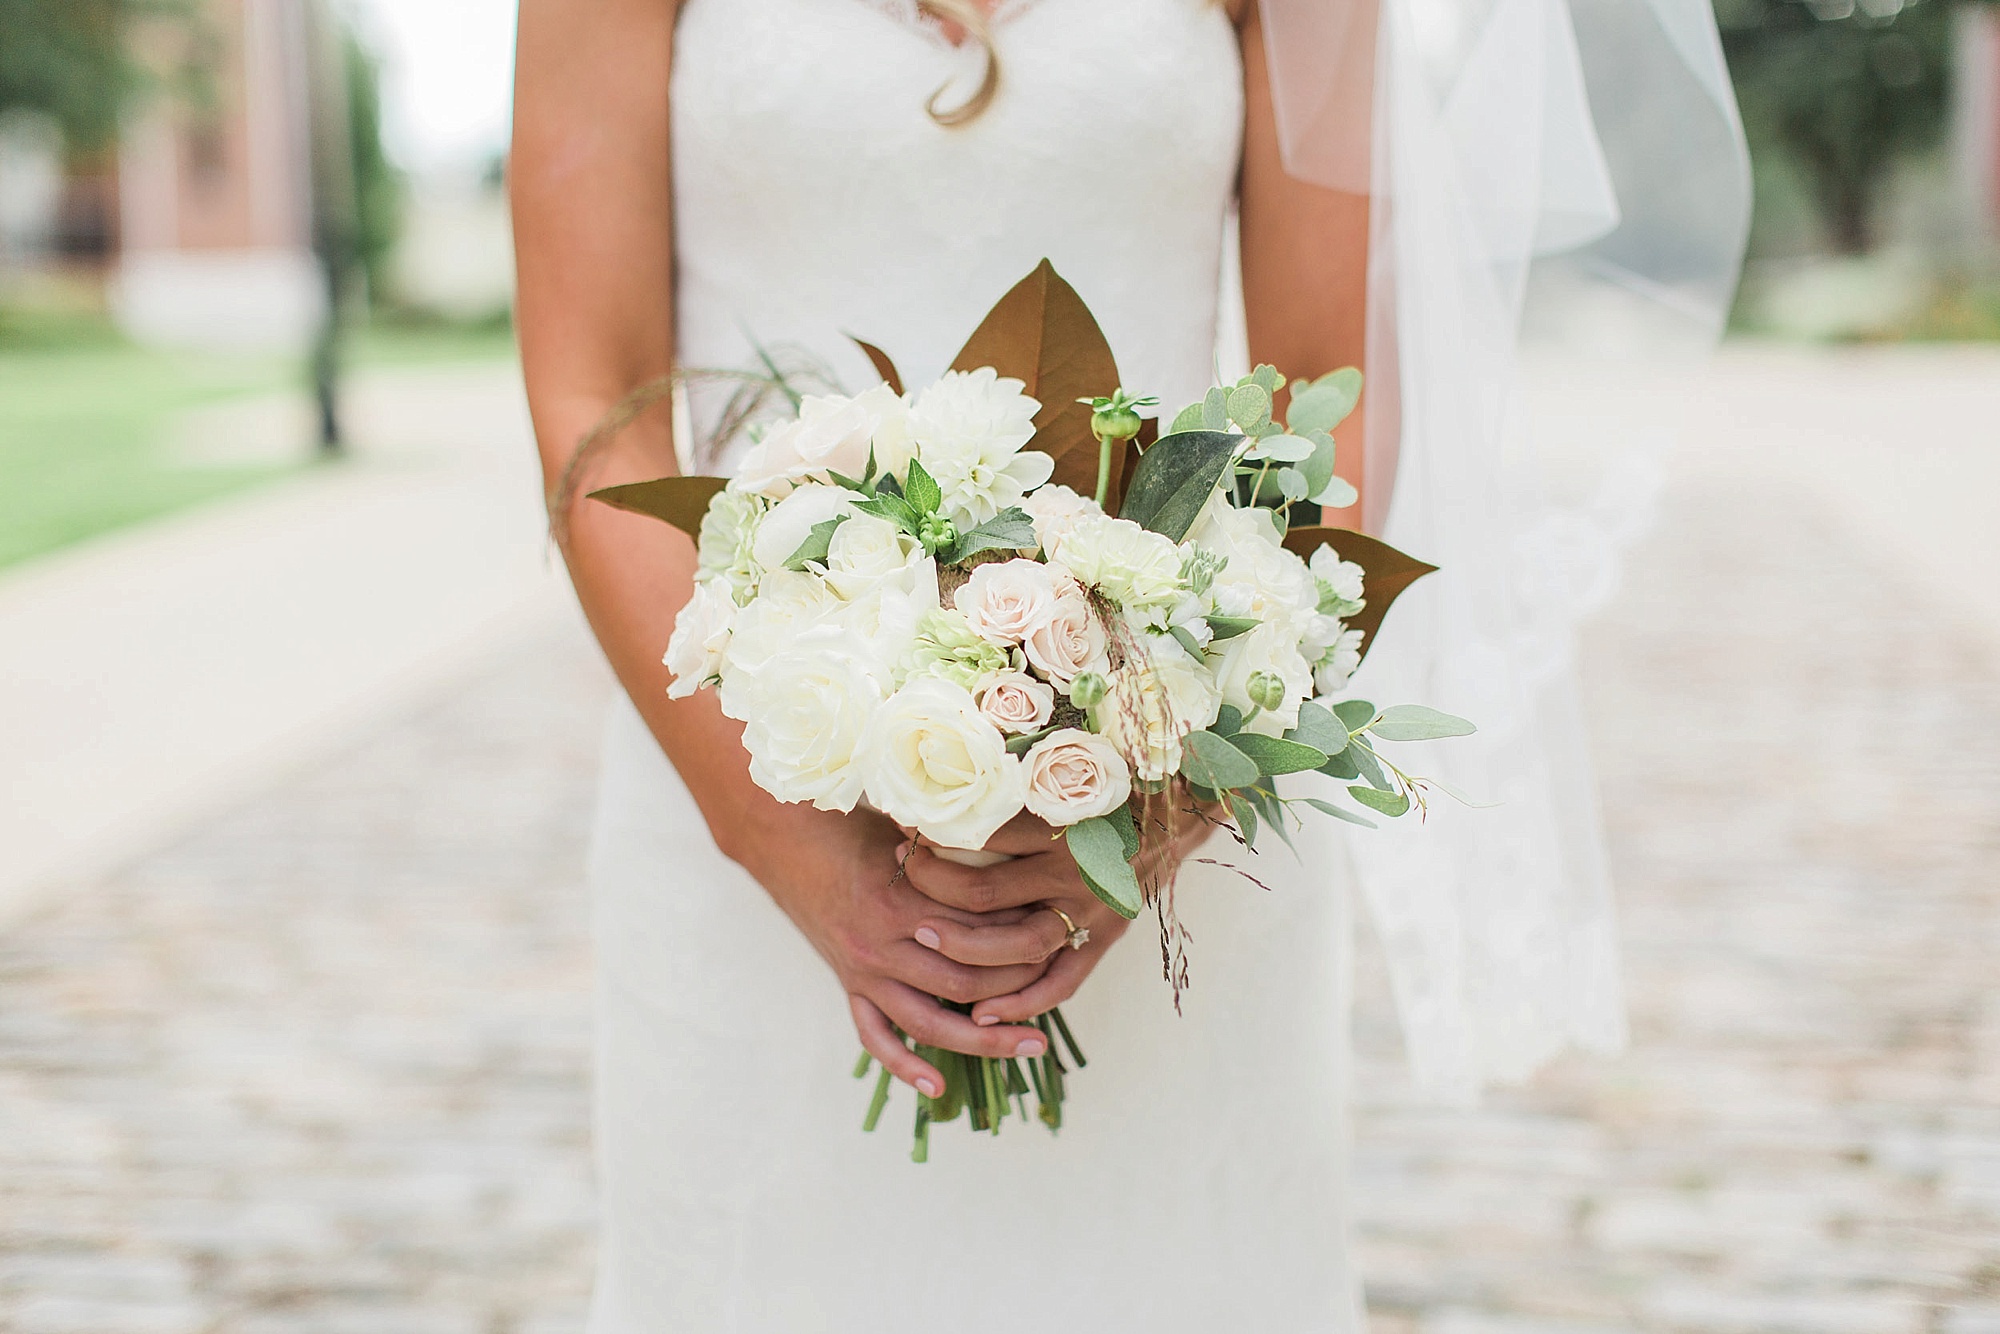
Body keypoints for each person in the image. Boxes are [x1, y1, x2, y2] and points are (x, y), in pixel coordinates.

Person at [510, 0, 1748, 1327]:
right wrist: (784, 838)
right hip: (749, 796)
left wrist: (1151, 811)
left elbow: (1330, 388)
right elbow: (596, 390)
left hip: (1173, 833)